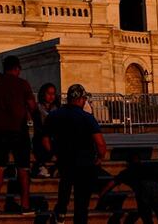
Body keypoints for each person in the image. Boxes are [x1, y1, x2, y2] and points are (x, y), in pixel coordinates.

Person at [43, 84, 107, 224]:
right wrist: (100, 157)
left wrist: (53, 154)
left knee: (65, 186)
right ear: (80, 99)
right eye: (84, 98)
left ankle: (60, 211)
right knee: (82, 202)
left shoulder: (54, 115)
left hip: (64, 160)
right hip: (85, 163)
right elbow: (100, 144)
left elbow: (45, 139)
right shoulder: (87, 117)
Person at [0, 55, 37, 215]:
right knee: (23, 168)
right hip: (19, 131)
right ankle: (25, 205)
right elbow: (32, 106)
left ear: (4, 67)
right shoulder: (23, 84)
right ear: (17, 68)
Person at [98, 150, 158, 224]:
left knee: (145, 214)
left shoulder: (127, 171)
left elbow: (112, 183)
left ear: (128, 163)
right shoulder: (149, 168)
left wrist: (102, 193)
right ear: (140, 160)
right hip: (155, 188)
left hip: (142, 188)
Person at [32, 82, 61, 178]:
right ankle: (43, 166)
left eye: (53, 94)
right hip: (41, 136)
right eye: (49, 93)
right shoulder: (38, 108)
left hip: (54, 136)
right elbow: (38, 125)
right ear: (43, 94)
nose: (51, 96)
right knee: (43, 139)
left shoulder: (57, 108)